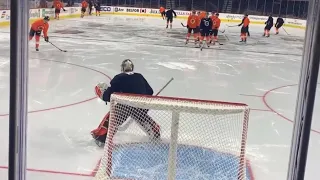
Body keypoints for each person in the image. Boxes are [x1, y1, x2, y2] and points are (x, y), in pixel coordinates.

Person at [91, 59, 161, 146]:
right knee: (140, 115)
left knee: (113, 116)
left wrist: (102, 94)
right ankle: (154, 129)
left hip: (125, 107)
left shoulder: (118, 78)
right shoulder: (140, 76)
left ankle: (102, 135)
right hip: (141, 106)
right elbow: (150, 91)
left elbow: (110, 95)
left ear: (122, 68)